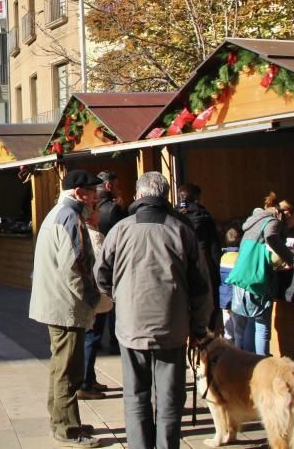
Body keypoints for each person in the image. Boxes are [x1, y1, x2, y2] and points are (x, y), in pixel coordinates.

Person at [95, 171, 212, 449]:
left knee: (135, 395)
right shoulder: (181, 230)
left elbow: (101, 276)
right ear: (165, 196)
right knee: (170, 396)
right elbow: (201, 288)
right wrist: (198, 328)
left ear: (138, 196)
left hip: (131, 325)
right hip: (171, 325)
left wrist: (121, 297)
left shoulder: (119, 231)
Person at [28, 170, 104, 448]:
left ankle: (61, 419)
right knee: (68, 370)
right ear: (78, 193)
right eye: (92, 192)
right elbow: (76, 267)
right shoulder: (70, 218)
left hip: (56, 302)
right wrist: (94, 300)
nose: (96, 197)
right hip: (65, 305)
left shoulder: (59, 213)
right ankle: (67, 429)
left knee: (62, 366)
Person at [230, 192, 294, 356]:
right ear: (287, 213)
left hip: (241, 276)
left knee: (247, 322)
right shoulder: (273, 222)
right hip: (257, 279)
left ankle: (244, 361)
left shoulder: (255, 221)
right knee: (261, 325)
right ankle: (262, 363)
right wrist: (289, 257)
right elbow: (271, 237)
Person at [80, 203, 114, 401]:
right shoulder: (95, 237)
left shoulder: (84, 233)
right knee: (92, 338)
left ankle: (90, 378)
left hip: (89, 295)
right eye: (97, 211)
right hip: (97, 295)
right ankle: (85, 382)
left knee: (90, 337)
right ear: (90, 217)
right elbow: (103, 267)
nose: (100, 214)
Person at [176, 182, 221, 332]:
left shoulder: (173, 216)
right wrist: (216, 270)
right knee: (206, 302)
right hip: (204, 261)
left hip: (179, 262)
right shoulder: (205, 216)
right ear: (198, 198)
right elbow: (214, 246)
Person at [95, 171, 126, 354]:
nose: (119, 189)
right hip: (113, 261)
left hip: (96, 261)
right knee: (113, 303)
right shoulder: (114, 210)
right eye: (117, 184)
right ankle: (115, 340)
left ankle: (96, 338)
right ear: (108, 186)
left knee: (99, 302)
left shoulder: (91, 207)